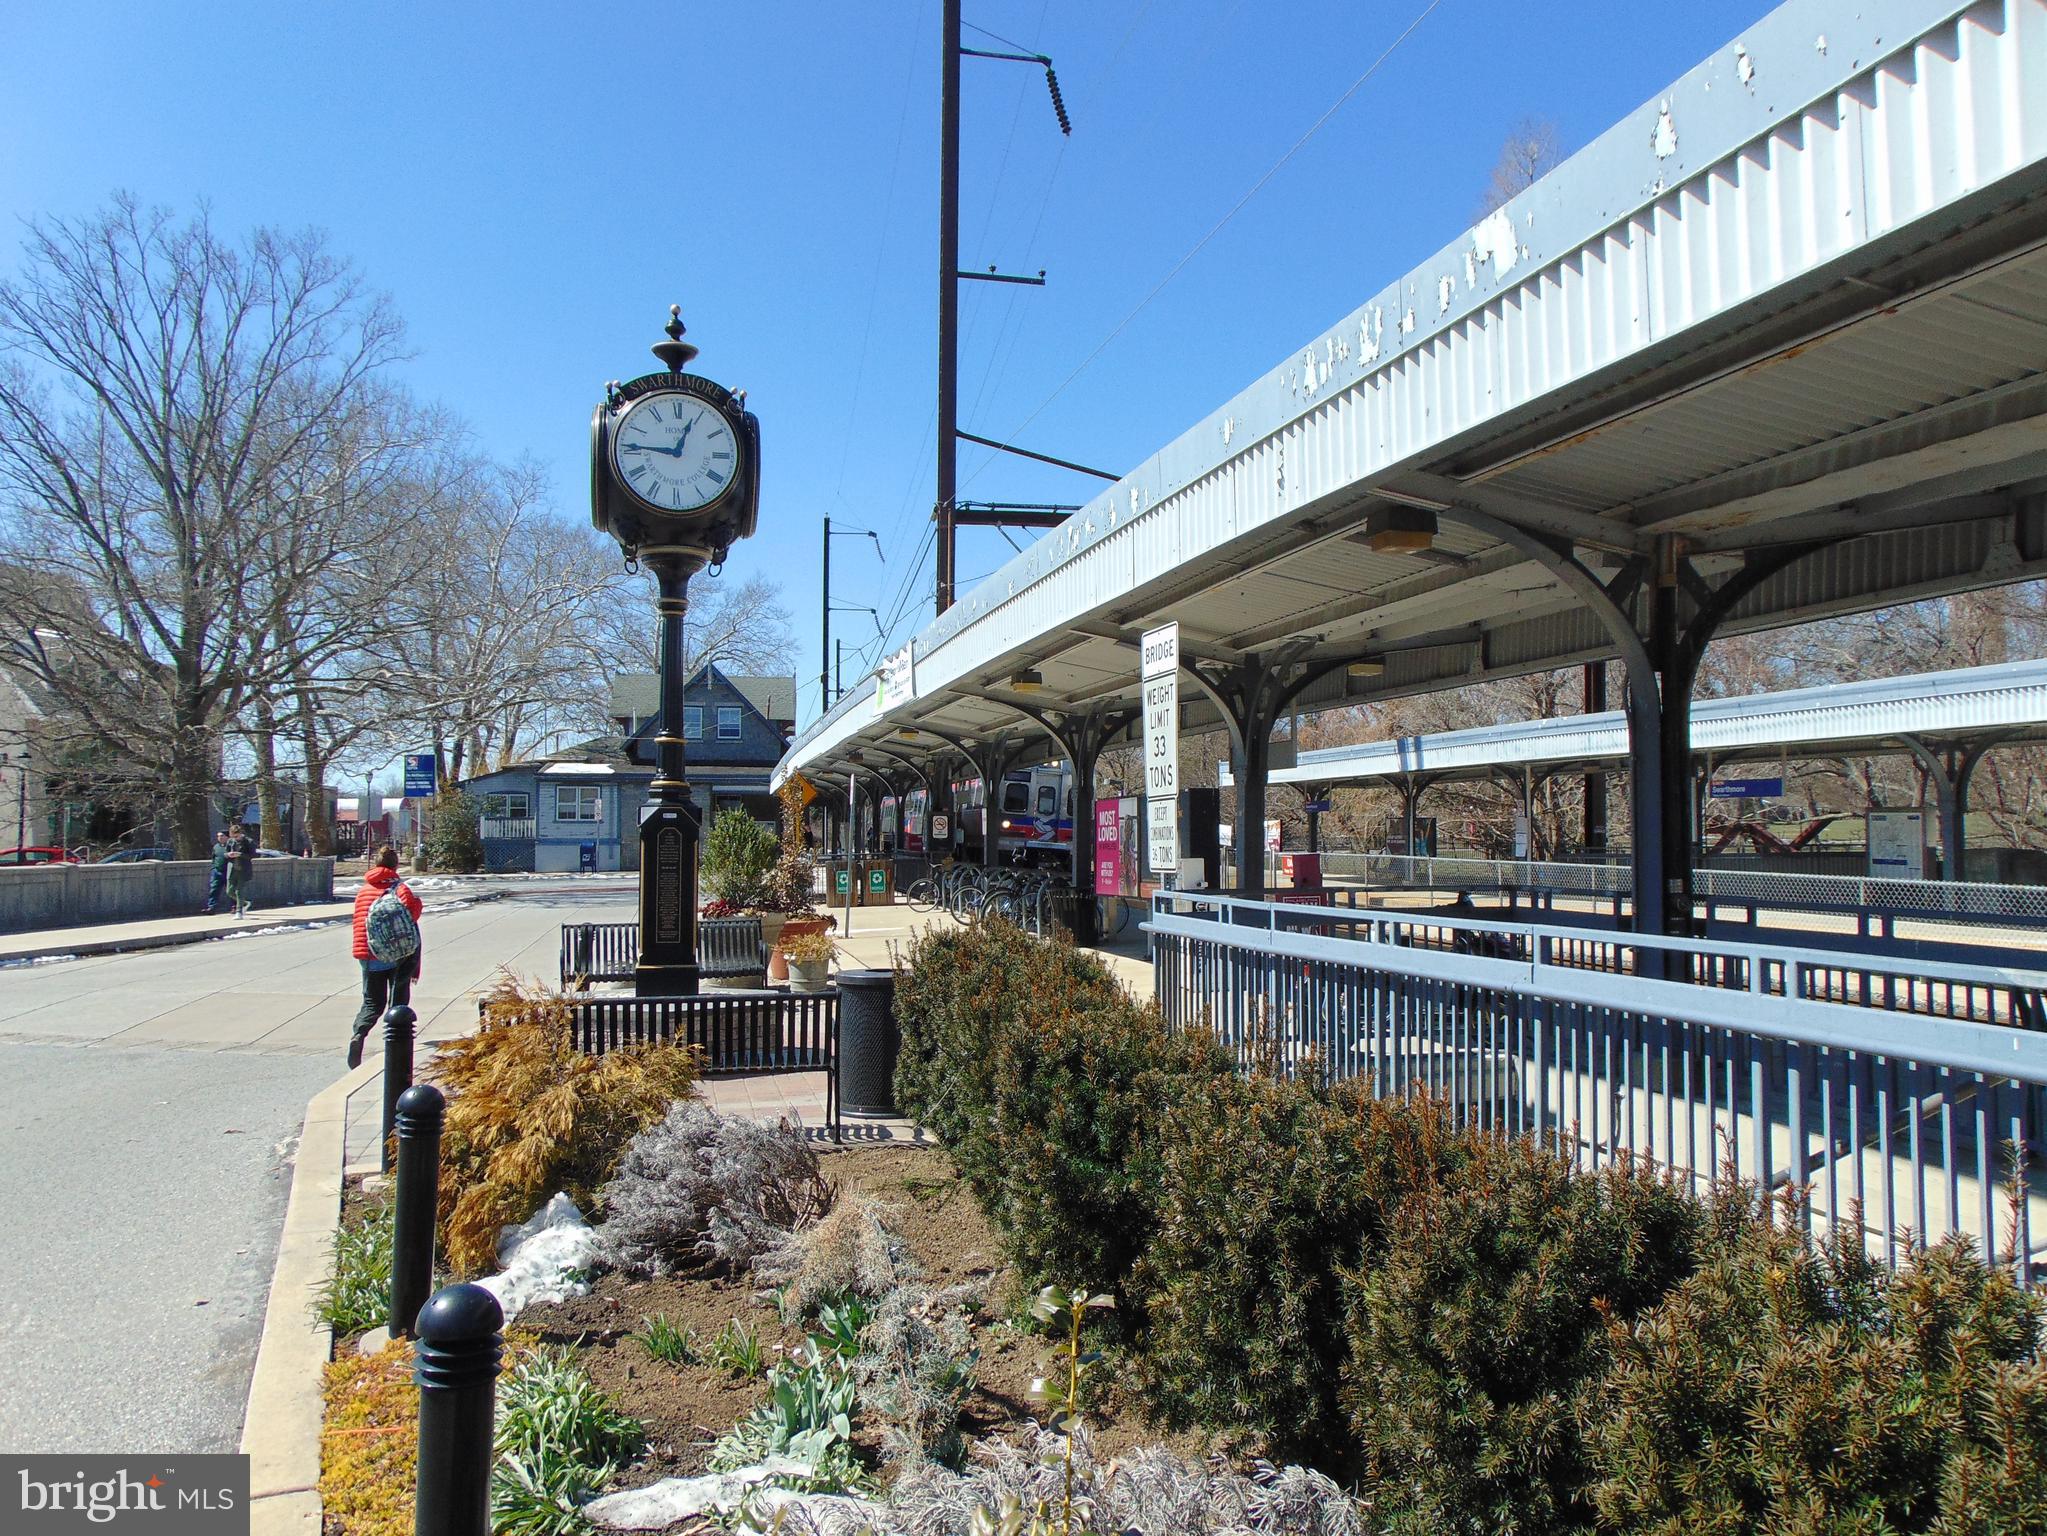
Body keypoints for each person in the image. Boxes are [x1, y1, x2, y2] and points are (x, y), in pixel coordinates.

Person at [347, 845, 423, 1068]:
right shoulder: (399, 889)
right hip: (396, 953)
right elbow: (411, 917)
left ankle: (359, 1034)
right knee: (398, 996)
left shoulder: (364, 890)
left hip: (368, 953)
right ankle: (396, 1040)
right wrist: (418, 903)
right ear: (395, 865)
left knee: (372, 1002)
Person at [226, 826, 256, 917]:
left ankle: (239, 911)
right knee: (229, 891)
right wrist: (228, 855)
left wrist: (240, 854)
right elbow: (225, 853)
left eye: (236, 836)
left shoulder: (249, 841)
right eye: (233, 836)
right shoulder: (230, 842)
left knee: (239, 890)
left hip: (243, 869)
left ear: (241, 833)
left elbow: (253, 855)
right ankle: (245, 903)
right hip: (232, 869)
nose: (235, 838)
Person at [200, 830, 230, 915]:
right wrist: (213, 867)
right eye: (218, 836)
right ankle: (211, 907)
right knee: (214, 889)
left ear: (227, 837)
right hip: (217, 871)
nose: (220, 838)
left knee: (231, 890)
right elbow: (214, 858)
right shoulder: (216, 847)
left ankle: (235, 906)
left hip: (228, 871)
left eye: (222, 836)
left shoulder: (231, 846)